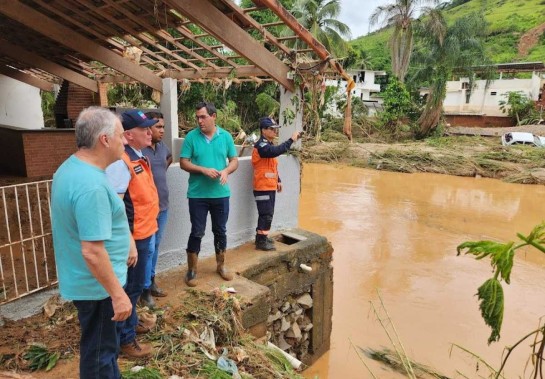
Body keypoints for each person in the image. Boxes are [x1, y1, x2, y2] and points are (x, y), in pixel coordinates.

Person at [51, 106, 134, 379]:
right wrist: (118, 294)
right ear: (105, 140)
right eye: (121, 135)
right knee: (99, 354)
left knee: (104, 348)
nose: (126, 140)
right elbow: (93, 251)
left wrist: (128, 241)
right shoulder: (92, 186)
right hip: (98, 288)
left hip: (88, 282)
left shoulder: (71, 168)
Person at [105, 109, 159, 358]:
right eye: (144, 128)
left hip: (146, 231)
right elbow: (117, 208)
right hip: (135, 237)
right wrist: (128, 242)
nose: (150, 131)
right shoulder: (121, 163)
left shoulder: (139, 156)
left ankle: (132, 324)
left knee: (137, 285)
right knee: (132, 287)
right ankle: (126, 340)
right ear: (129, 134)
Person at [179, 101, 239, 287]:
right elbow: (183, 162)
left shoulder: (226, 136)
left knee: (220, 230)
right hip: (197, 195)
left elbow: (234, 160)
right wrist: (202, 170)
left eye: (203, 117)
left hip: (221, 194)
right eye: (197, 117)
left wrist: (226, 171)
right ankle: (192, 270)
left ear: (213, 117)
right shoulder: (191, 137)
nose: (199, 121)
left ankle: (221, 266)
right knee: (197, 231)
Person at [252, 117, 300, 251]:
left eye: (275, 129)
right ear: (263, 130)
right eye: (272, 129)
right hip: (262, 187)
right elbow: (275, 152)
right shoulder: (261, 146)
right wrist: (291, 140)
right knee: (265, 214)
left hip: (269, 186)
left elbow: (272, 166)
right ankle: (261, 242)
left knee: (268, 213)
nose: (275, 132)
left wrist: (278, 180)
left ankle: (262, 237)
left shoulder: (269, 144)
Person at [140, 111, 172, 308]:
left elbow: (169, 158)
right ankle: (143, 291)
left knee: (156, 247)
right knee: (147, 249)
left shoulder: (162, 148)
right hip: (146, 210)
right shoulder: (139, 150)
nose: (162, 130)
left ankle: (151, 283)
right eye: (159, 127)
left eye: (163, 127)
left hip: (163, 206)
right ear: (148, 128)